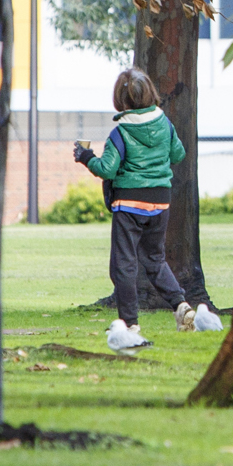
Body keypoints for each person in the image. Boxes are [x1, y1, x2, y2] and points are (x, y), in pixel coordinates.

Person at [74, 68, 194, 336]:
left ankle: (129, 324)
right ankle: (181, 305)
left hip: (129, 204)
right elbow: (178, 153)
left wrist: (85, 156)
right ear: (151, 93)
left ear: (120, 100)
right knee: (154, 260)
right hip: (160, 201)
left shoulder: (121, 132)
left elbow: (107, 169)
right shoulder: (165, 124)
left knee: (124, 264)